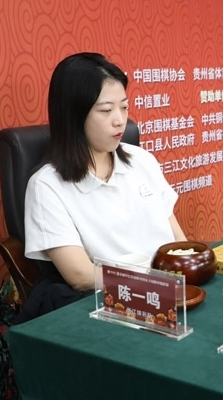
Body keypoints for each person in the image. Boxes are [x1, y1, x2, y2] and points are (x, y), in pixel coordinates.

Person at [16, 52, 187, 323]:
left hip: (174, 295)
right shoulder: (46, 186)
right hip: (116, 307)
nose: (119, 120)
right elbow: (80, 276)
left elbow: (178, 242)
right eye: (106, 110)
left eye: (124, 107)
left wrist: (187, 271)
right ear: (74, 115)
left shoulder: (143, 161)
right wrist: (150, 288)